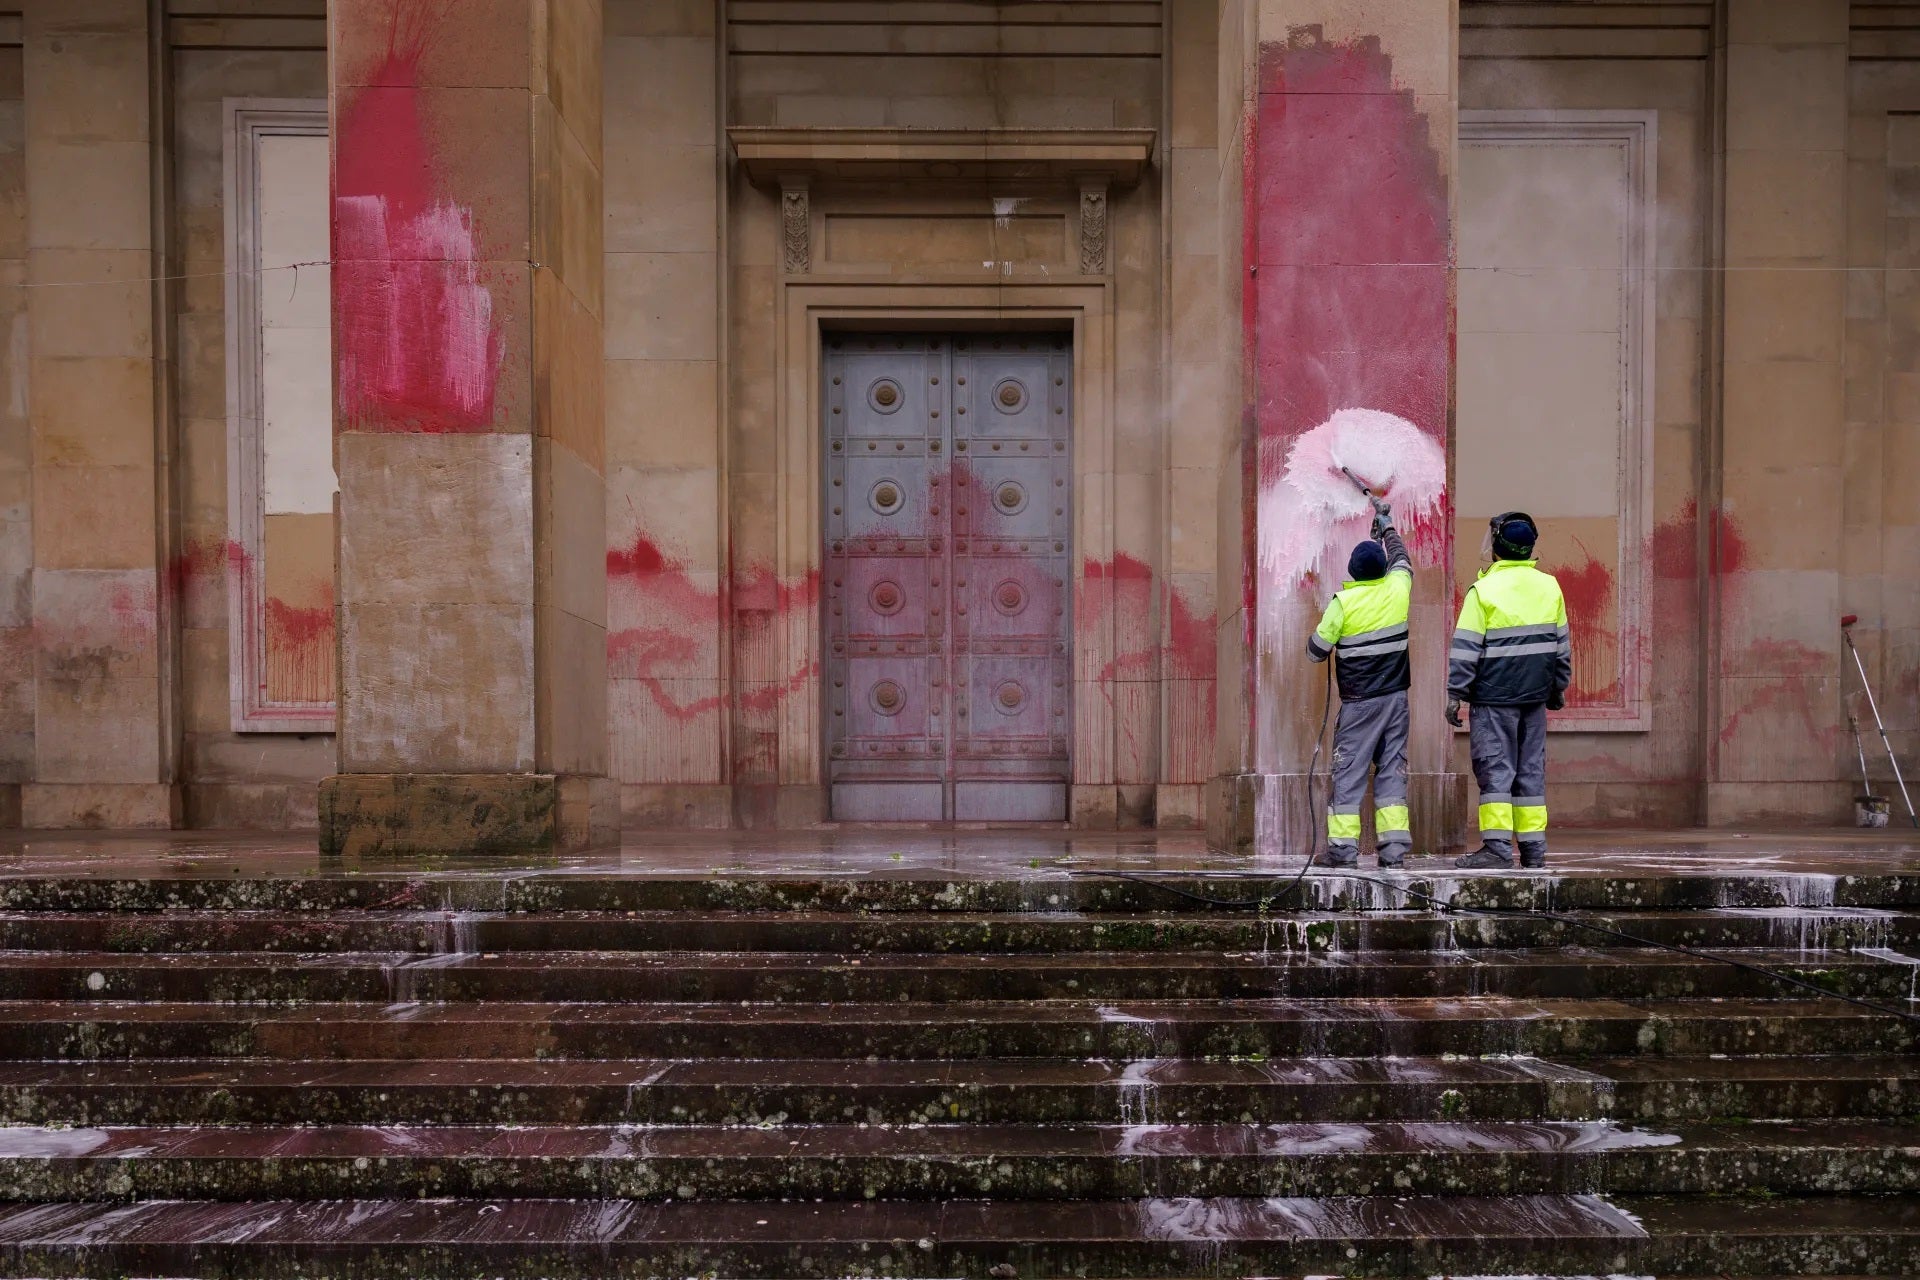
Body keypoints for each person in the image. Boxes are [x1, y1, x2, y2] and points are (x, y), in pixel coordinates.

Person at [1447, 512, 1571, 870]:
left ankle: (1497, 848)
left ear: (1497, 547)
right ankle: (1533, 850)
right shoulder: (1550, 586)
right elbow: (1561, 647)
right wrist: (1558, 687)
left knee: (1495, 771)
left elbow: (1466, 649)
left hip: (1493, 698)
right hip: (1535, 697)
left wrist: (1455, 693)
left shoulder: (1483, 591)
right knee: (1530, 771)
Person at [1306, 498, 1413, 869]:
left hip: (1359, 704)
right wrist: (1388, 528)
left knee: (1349, 772)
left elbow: (1316, 651)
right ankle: (1394, 852)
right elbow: (1402, 559)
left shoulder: (1344, 603)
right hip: (1396, 701)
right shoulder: (1398, 589)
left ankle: (1342, 851)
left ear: (1352, 571)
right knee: (1392, 770)